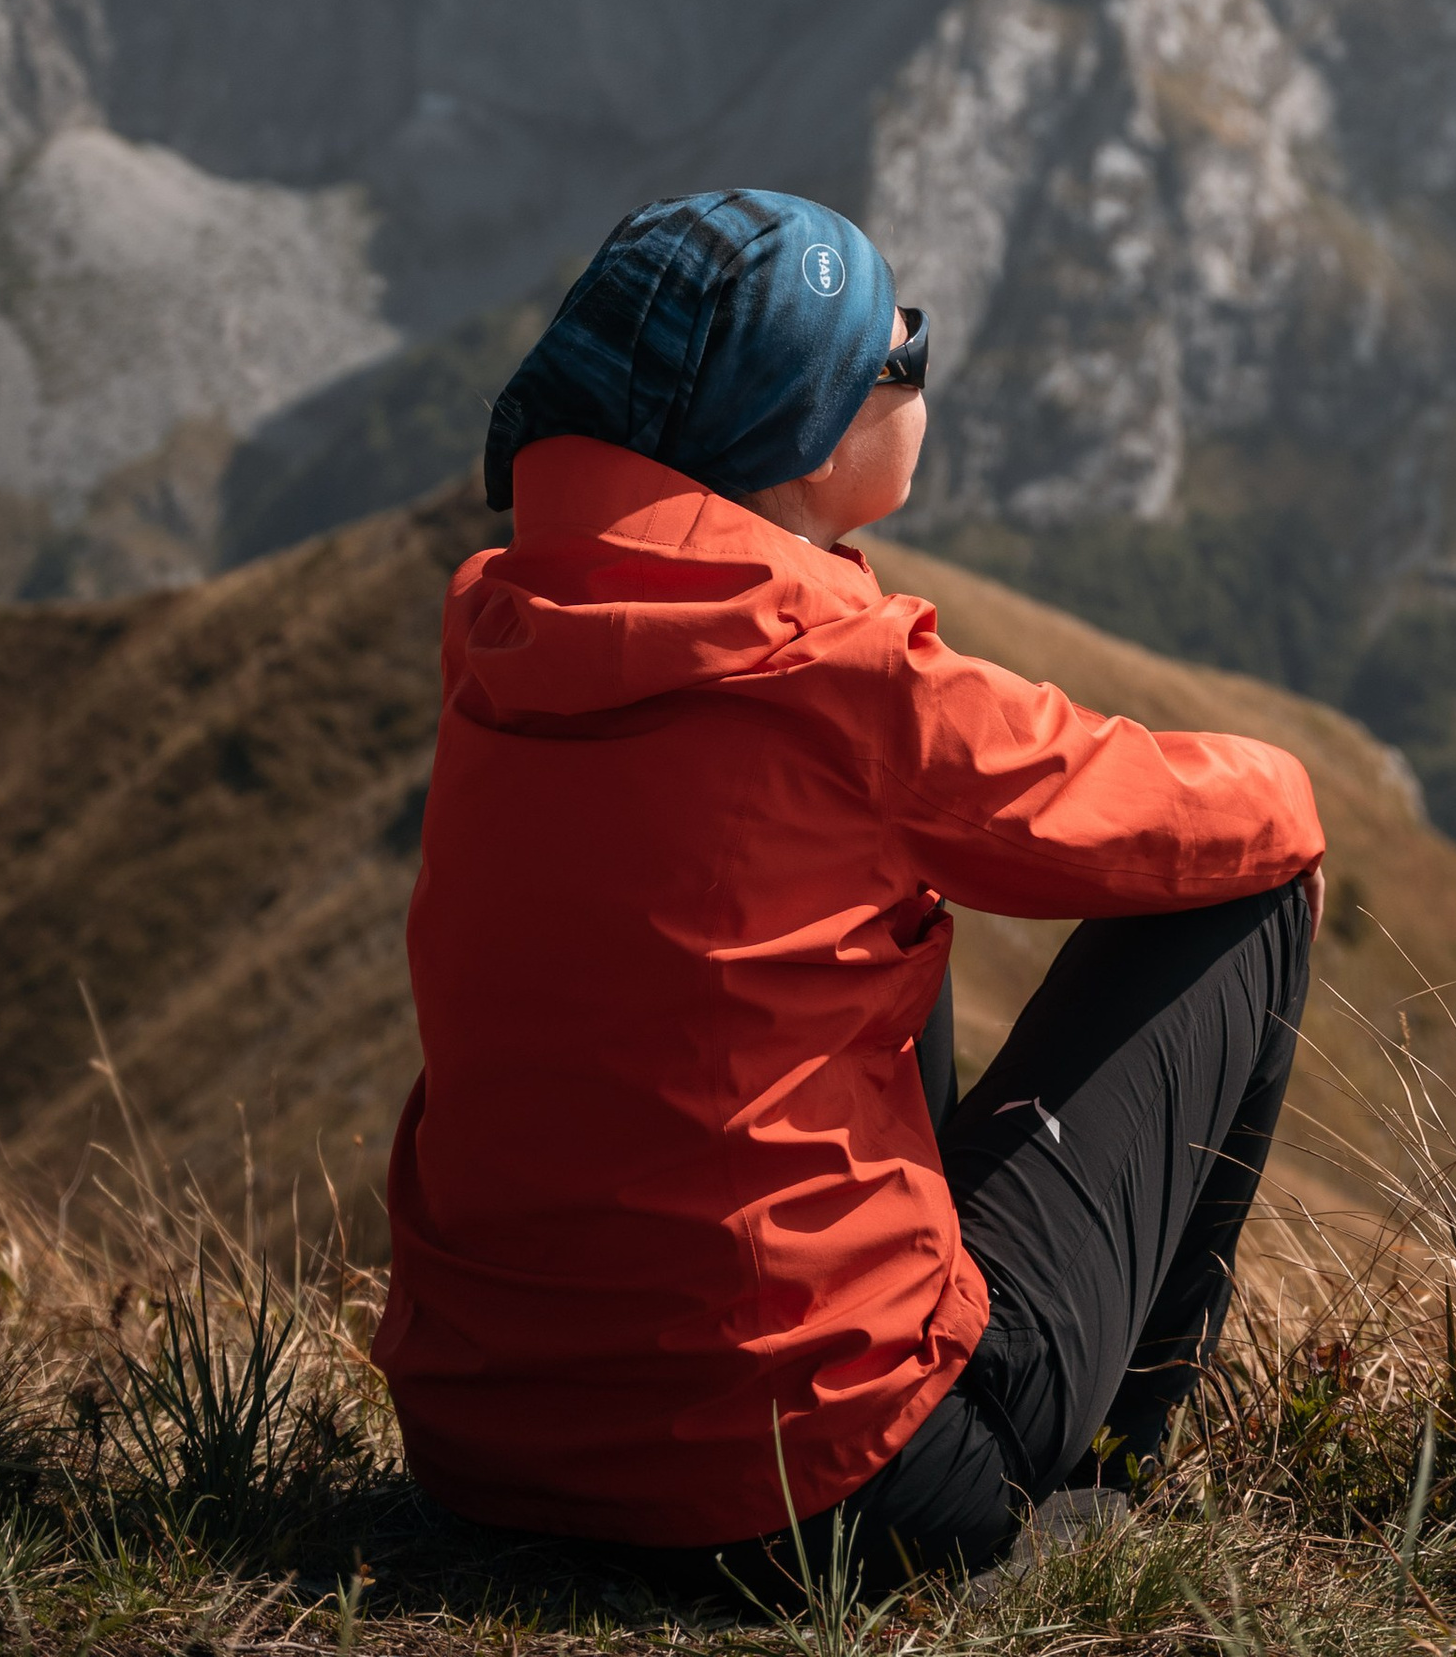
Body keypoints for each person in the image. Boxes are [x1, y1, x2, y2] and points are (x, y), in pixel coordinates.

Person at [372, 187, 1324, 1595]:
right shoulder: (843, 676)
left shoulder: (502, 628)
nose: (926, 366)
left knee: (861, 924)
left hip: (479, 1452)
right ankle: (1103, 1480)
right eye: (907, 350)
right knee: (1255, 892)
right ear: (808, 430)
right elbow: (1239, 818)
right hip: (825, 1485)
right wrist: (1289, 771)